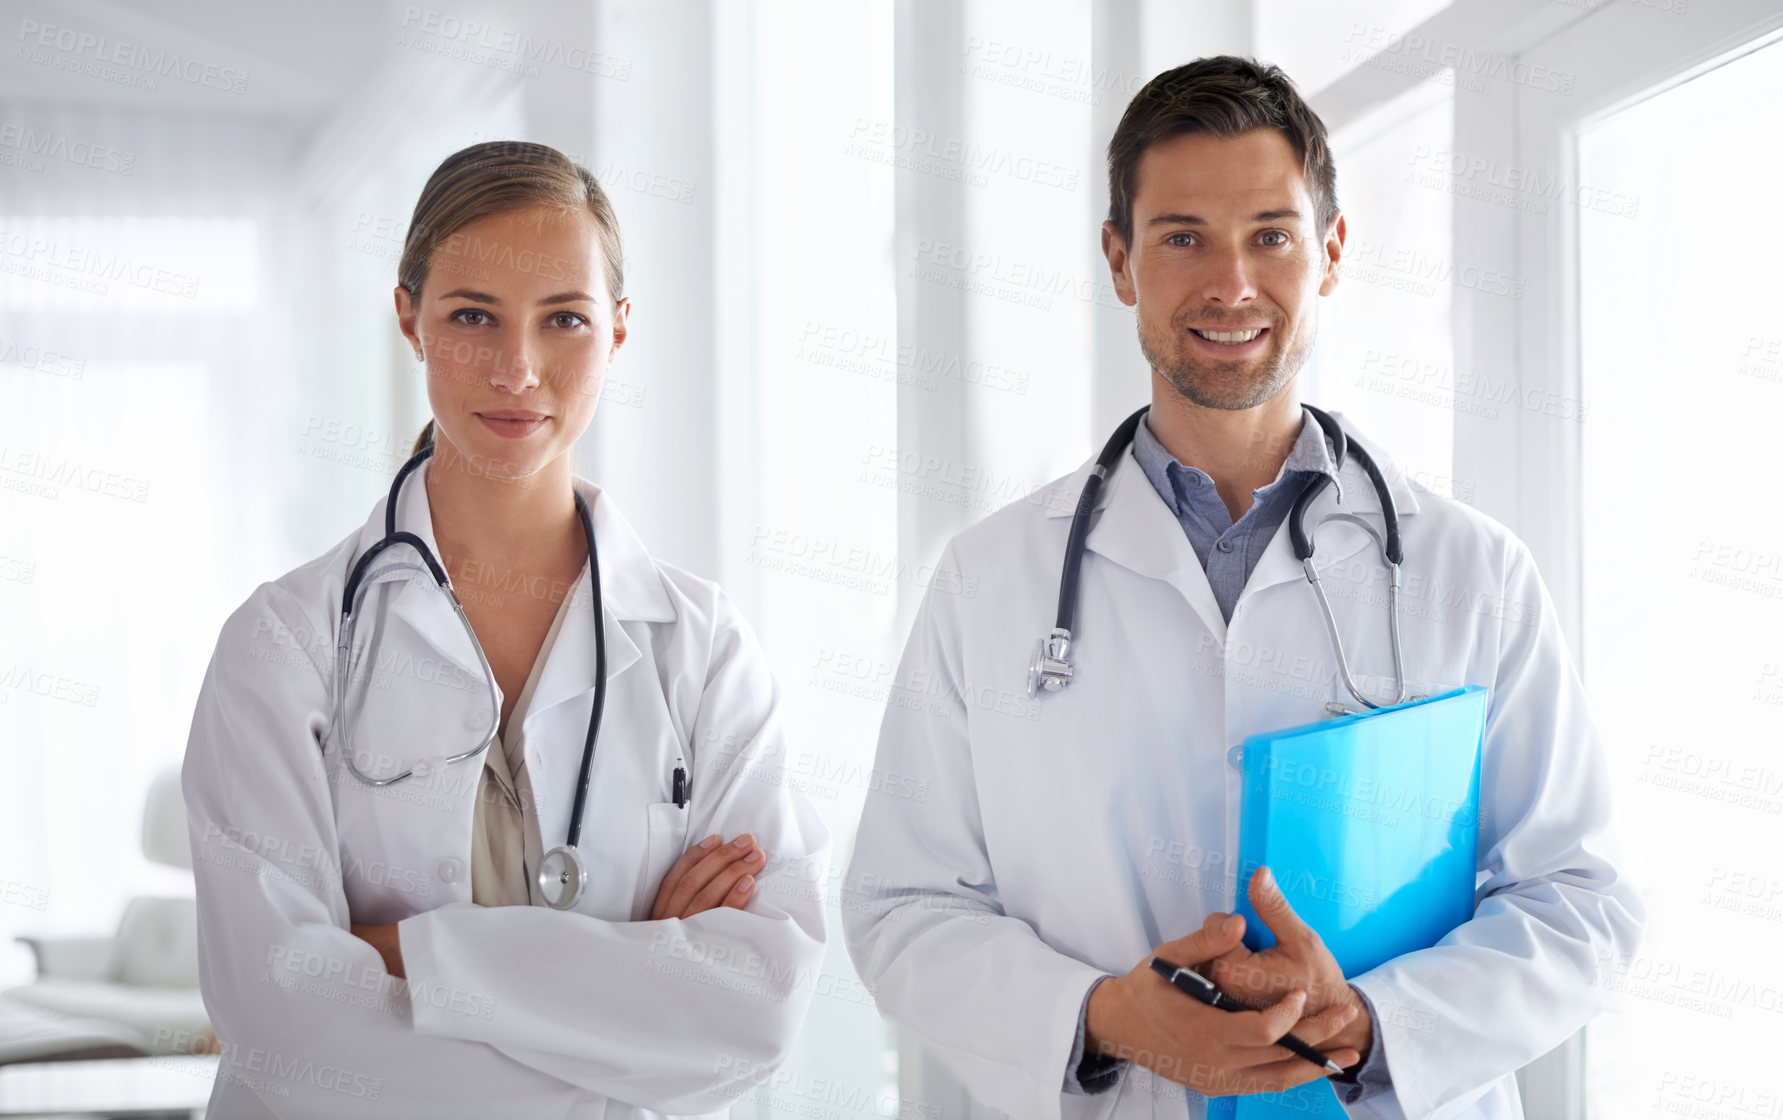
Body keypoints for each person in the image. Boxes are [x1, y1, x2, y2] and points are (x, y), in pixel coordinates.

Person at [842, 57, 1642, 1120]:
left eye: (1270, 234)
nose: (1230, 284)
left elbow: (1580, 900)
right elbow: (902, 911)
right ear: (1119, 260)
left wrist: (1367, 1021)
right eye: (1182, 238)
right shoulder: (989, 580)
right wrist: (1107, 1015)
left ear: (1331, 253)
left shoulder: (1471, 570)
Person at [182, 141, 828, 1119]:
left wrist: (410, 958)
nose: (517, 368)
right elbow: (284, 1027)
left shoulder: (701, 649)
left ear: (617, 330)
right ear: (410, 318)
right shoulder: (284, 644)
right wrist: (634, 980)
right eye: (472, 315)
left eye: (563, 318)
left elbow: (758, 1010)